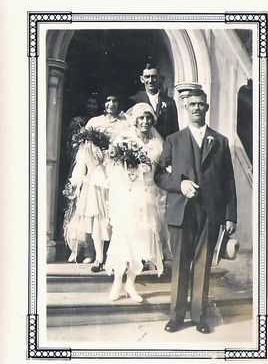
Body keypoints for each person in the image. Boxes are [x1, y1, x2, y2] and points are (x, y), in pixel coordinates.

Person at [154, 89, 237, 334]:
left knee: (203, 264)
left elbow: (228, 181)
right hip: (182, 211)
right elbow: (159, 175)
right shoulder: (174, 140)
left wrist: (231, 215)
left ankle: (200, 316)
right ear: (186, 108)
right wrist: (179, 185)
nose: (197, 108)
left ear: (207, 107)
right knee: (180, 263)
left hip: (210, 212)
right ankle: (177, 316)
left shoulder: (219, 141)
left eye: (201, 104)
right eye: (192, 105)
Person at [105, 103, 164, 302]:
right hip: (127, 196)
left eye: (149, 118)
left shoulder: (157, 142)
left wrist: (149, 173)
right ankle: (117, 283)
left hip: (146, 196)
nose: (145, 122)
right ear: (135, 120)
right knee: (125, 238)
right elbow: (112, 167)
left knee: (141, 241)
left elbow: (161, 169)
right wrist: (131, 171)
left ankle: (130, 284)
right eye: (141, 118)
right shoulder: (124, 138)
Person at [64, 94, 127, 267]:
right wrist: (82, 174)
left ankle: (115, 254)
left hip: (116, 173)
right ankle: (96, 254)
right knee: (96, 215)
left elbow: (127, 146)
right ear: (104, 104)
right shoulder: (94, 122)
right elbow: (84, 151)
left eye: (115, 100)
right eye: (108, 101)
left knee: (115, 214)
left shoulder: (124, 123)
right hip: (96, 174)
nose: (111, 104)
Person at [127, 61, 179, 140]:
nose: (150, 80)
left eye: (154, 76)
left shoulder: (169, 102)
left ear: (159, 78)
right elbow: (129, 127)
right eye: (147, 77)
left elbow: (174, 130)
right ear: (142, 79)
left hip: (164, 147)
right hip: (141, 147)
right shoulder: (133, 101)